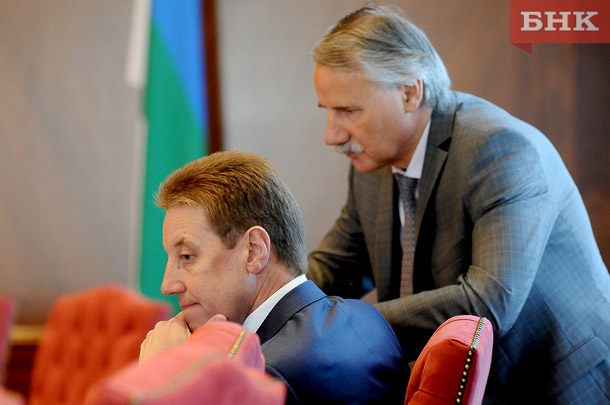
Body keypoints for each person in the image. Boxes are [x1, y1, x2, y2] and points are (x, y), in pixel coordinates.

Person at [307, 5, 610, 404]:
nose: (332, 135)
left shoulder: (499, 149)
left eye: (348, 111)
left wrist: (343, 324)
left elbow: (487, 304)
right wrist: (262, 302)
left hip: (558, 383)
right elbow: (337, 267)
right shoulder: (372, 161)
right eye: (327, 111)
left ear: (410, 93)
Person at [139, 150, 407, 404]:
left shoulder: (261, 379)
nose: (167, 285)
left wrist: (163, 379)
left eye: (187, 256)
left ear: (254, 251)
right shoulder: (369, 320)